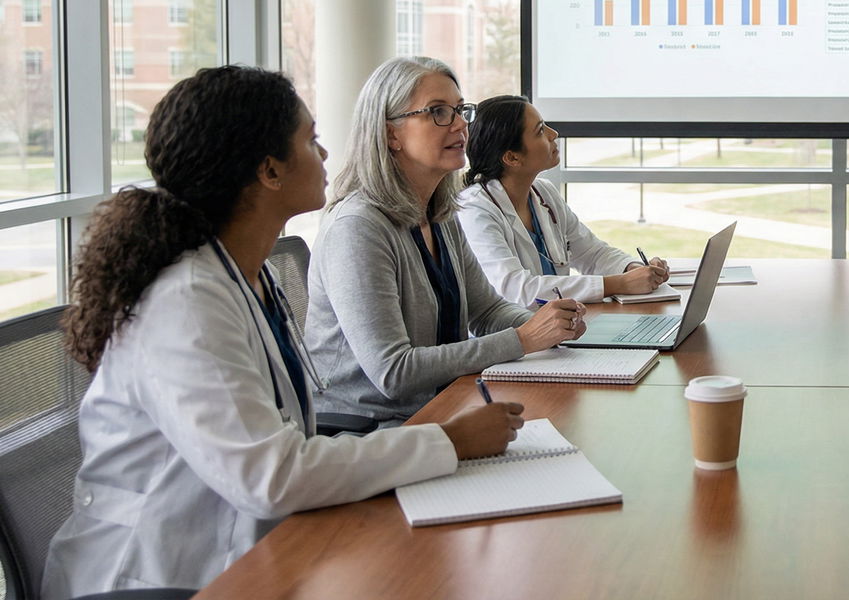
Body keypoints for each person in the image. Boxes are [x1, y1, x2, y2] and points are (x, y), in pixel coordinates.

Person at [42, 66, 524, 597]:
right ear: (269, 170)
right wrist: (447, 440)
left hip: (251, 547)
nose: (324, 156)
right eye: (310, 140)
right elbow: (273, 476)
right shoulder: (186, 302)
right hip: (154, 578)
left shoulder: (247, 272)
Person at [305, 57, 586, 424]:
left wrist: (549, 327)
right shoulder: (357, 228)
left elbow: (486, 311)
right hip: (373, 429)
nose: (459, 125)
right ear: (391, 133)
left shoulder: (440, 212)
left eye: (459, 110)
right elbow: (394, 372)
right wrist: (524, 338)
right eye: (438, 112)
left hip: (445, 405)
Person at [458, 94, 669, 305]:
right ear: (512, 157)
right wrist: (619, 284)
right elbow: (516, 290)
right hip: (515, 332)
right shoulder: (475, 210)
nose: (554, 134)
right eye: (540, 130)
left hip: (561, 326)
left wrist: (632, 269)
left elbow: (592, 253)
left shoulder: (543, 192)